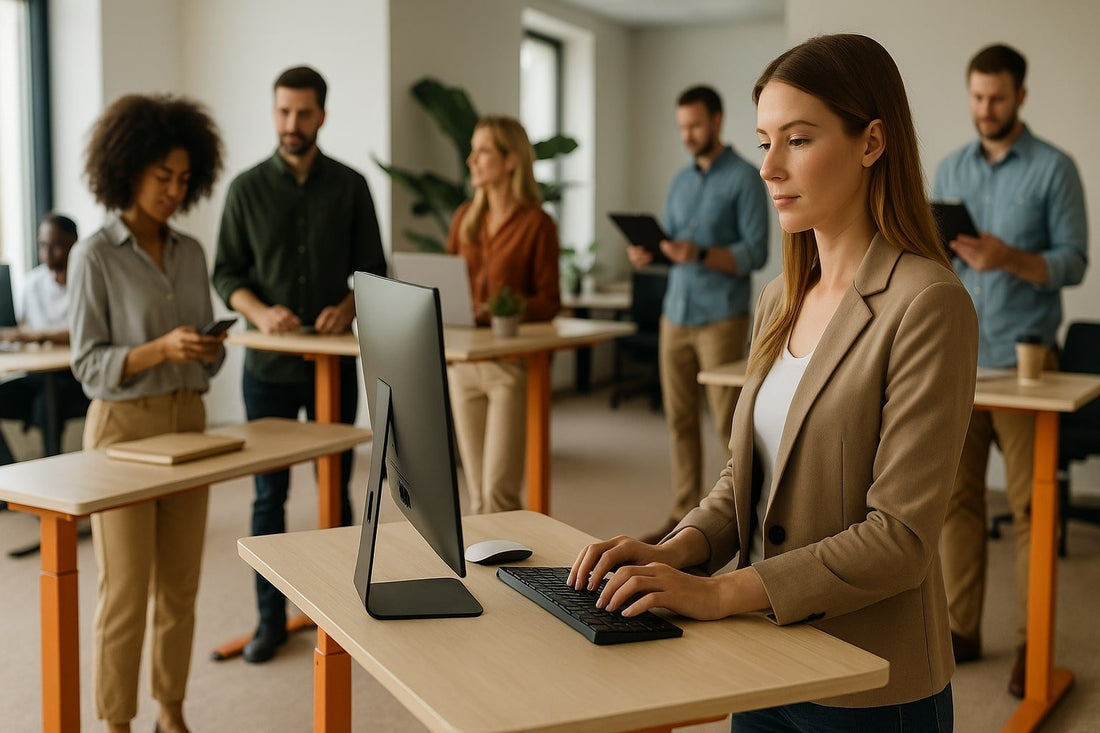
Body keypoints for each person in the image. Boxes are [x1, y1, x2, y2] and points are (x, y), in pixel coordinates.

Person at [570, 34, 978, 730]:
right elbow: (744, 479)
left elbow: (899, 539)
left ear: (871, 142)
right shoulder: (779, 298)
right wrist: (676, 550)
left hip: (869, 681)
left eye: (796, 139)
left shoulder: (928, 302)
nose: (768, 168)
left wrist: (718, 593)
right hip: (766, 659)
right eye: (764, 141)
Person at [212, 65, 387, 663]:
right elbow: (226, 273)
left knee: (333, 488)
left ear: (322, 115)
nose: (292, 124)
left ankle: (335, 612)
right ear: (274, 113)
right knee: (268, 497)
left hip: (331, 365)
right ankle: (269, 620)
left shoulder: (352, 185)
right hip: (268, 368)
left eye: (303, 114)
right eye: (283, 112)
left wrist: (345, 306)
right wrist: (259, 313)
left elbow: (374, 271)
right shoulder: (244, 189)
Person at [934, 44, 1088, 698]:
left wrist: (1009, 257)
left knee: (1030, 508)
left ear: (1020, 96)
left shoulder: (1055, 169)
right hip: (958, 360)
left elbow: (1073, 263)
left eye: (996, 97)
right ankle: (960, 629)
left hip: (1027, 362)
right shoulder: (948, 167)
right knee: (956, 504)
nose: (984, 109)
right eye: (976, 97)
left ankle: (1033, 645)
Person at [69, 94, 226, 733]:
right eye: (163, 176)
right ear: (128, 168)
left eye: (184, 180)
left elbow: (206, 365)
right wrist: (159, 349)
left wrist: (205, 351)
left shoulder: (190, 252)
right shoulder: (93, 256)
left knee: (181, 587)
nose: (173, 190)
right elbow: (88, 366)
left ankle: (171, 712)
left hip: (189, 420)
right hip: (122, 431)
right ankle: (116, 723)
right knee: (126, 590)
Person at [627, 85, 769, 543]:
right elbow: (675, 249)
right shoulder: (680, 181)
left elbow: (756, 252)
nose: (687, 134)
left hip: (720, 318)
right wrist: (654, 253)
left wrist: (702, 253)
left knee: (730, 426)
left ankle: (741, 520)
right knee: (679, 420)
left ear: (717, 120)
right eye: (682, 127)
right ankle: (682, 515)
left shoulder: (746, 178)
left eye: (695, 125)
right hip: (676, 313)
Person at [446, 116, 560, 514]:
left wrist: (497, 311)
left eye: (482, 151)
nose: (471, 160)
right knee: (476, 494)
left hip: (508, 368)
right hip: (462, 364)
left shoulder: (537, 224)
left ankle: (508, 574)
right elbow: (447, 285)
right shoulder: (464, 218)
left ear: (511, 160)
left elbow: (549, 301)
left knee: (498, 495)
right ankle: (480, 575)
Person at [0, 213, 88, 466]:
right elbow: (21, 330)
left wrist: (38, 336)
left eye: (57, 245)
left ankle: (52, 475)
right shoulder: (32, 282)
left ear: (74, 244)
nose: (49, 253)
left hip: (73, 378)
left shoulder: (86, 282)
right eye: (43, 245)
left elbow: (84, 331)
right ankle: (8, 482)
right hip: (36, 377)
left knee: (45, 405)